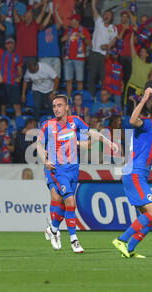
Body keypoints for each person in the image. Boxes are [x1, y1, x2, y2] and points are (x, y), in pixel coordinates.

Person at [38, 94, 117, 253]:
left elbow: (91, 135)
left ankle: (53, 228)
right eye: (54, 106)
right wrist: (44, 160)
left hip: (74, 169)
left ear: (67, 107)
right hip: (57, 169)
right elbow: (39, 144)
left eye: (59, 105)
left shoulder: (75, 122)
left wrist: (108, 142)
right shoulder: (48, 125)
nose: (56, 109)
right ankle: (74, 240)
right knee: (69, 201)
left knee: (64, 203)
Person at [112, 89, 152, 259]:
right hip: (135, 174)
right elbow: (131, 120)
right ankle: (121, 240)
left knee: (149, 217)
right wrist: (144, 98)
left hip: (139, 174)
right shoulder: (146, 123)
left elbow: (142, 152)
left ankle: (129, 249)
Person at [88, 0, 118, 99]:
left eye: (108, 15)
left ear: (112, 17)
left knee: (104, 78)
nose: (106, 16)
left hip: (105, 56)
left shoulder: (113, 28)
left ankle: (104, 98)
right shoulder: (99, 22)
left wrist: (107, 47)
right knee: (92, 77)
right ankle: (92, 97)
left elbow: (114, 42)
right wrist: (93, 3)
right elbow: (94, 9)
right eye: (105, 14)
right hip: (95, 53)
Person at [0, 36, 22, 117]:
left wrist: (19, 77)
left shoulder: (17, 56)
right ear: (5, 45)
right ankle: (4, 124)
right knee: (3, 106)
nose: (10, 45)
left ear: (14, 45)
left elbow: (20, 69)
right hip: (3, 83)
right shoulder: (1, 52)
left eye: (11, 43)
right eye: (8, 44)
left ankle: (20, 125)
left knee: (17, 106)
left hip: (14, 84)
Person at [61, 13, 91, 100]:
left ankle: (78, 99)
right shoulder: (68, 31)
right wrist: (63, 39)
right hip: (68, 59)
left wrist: (83, 37)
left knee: (79, 80)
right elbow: (62, 40)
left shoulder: (84, 30)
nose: (70, 21)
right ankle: (69, 98)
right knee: (68, 80)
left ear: (77, 21)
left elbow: (90, 44)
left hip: (79, 58)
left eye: (71, 20)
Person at [124, 32, 152, 115]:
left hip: (142, 91)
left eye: (143, 52)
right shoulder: (135, 59)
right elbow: (131, 45)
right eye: (141, 51)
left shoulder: (150, 65)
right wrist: (133, 34)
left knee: (141, 111)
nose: (141, 53)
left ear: (147, 54)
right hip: (132, 88)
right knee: (130, 110)